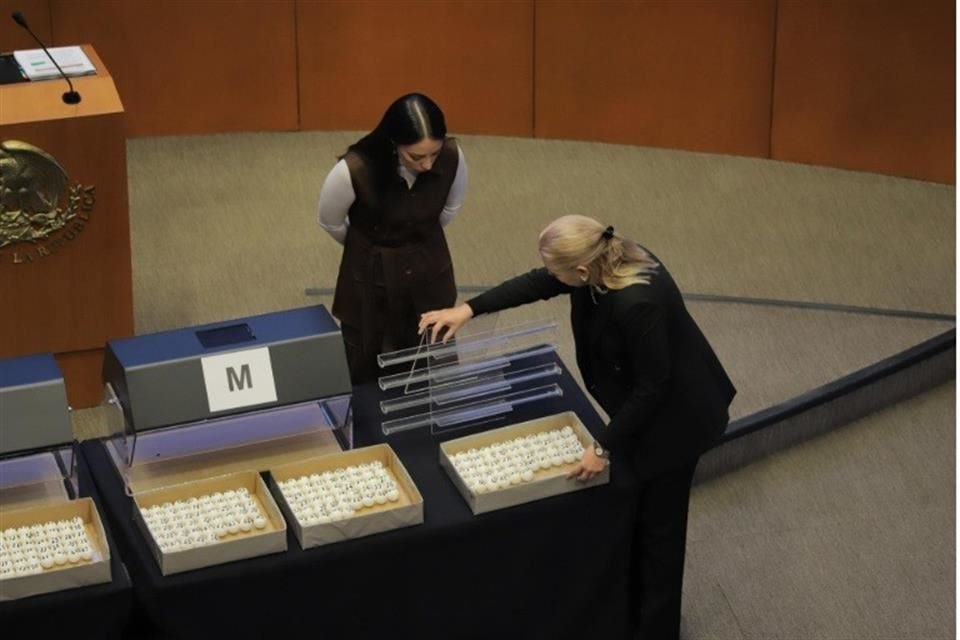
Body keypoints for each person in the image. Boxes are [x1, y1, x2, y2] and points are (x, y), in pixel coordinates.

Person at [418, 214, 736, 640]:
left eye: (558, 271)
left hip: (675, 424)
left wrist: (602, 447)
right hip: (646, 407)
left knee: (661, 533)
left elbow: (652, 388)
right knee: (638, 516)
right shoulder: (605, 258)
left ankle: (657, 630)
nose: (551, 277)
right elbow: (537, 283)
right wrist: (469, 309)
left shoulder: (636, 302)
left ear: (582, 270)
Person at [318, 93, 468, 383]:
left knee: (432, 351)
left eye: (433, 154)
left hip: (428, 270)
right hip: (370, 277)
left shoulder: (452, 157)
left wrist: (416, 239)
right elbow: (330, 221)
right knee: (368, 358)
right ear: (393, 143)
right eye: (416, 156)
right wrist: (369, 247)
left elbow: (450, 209)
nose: (427, 165)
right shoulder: (353, 170)